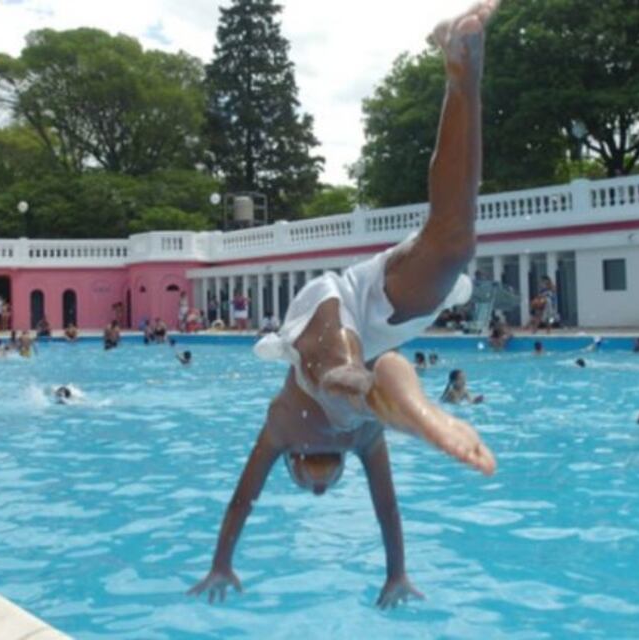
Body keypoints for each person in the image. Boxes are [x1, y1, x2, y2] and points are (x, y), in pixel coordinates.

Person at [188, 2, 498, 609]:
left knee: (341, 378)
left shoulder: (280, 431)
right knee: (455, 241)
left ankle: (422, 415)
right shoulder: (361, 446)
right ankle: (461, 71)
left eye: (310, 485)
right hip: (377, 328)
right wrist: (395, 574)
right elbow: (386, 509)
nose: (319, 490)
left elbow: (241, 500)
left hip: (327, 317)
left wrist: (222, 563)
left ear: (296, 468)